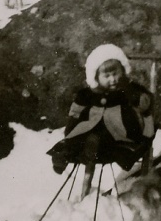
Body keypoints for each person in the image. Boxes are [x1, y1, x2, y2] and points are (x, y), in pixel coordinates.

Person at [47, 44, 155, 187]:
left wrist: (138, 98)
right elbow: (76, 111)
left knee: (100, 138)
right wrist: (71, 128)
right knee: (77, 138)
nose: (113, 80)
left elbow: (145, 103)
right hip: (91, 128)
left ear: (123, 71)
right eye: (107, 76)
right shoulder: (88, 93)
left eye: (116, 74)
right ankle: (63, 155)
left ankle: (91, 146)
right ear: (96, 77)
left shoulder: (128, 89)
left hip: (118, 132)